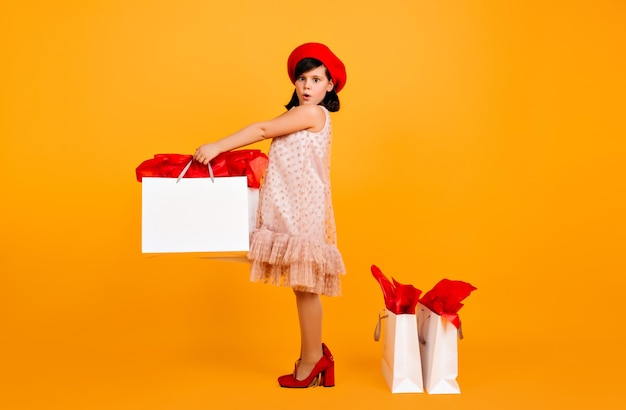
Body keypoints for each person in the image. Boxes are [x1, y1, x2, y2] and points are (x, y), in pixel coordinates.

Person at [193, 43, 347, 388]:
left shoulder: (313, 114)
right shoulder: (298, 114)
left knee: (306, 288)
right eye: (302, 78)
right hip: (292, 206)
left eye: (317, 79)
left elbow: (262, 130)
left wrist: (216, 146)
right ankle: (313, 354)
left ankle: (313, 359)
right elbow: (271, 132)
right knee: (302, 287)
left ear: (330, 86)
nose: (307, 86)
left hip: (303, 210)